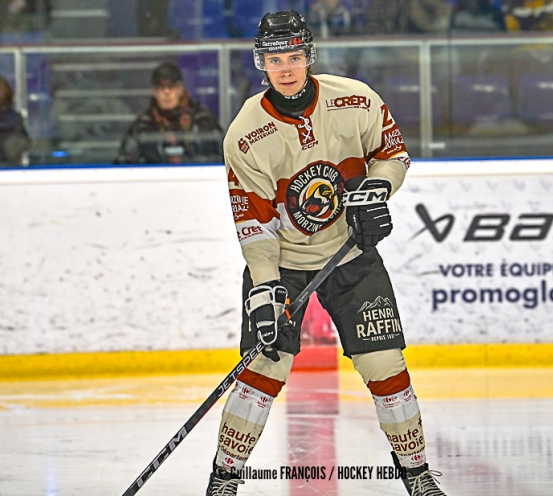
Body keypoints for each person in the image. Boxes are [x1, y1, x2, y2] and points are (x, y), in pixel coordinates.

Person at [207, 10, 447, 496]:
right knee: (262, 370)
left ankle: (418, 477)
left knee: (385, 365)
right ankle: (224, 480)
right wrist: (266, 287)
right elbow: (254, 222)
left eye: (294, 56)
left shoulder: (356, 99)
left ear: (308, 56)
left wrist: (374, 192)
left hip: (351, 255)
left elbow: (393, 154)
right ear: (262, 63)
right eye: (276, 59)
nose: (287, 68)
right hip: (284, 265)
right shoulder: (245, 134)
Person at [115, 61, 223, 164]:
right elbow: (123, 162)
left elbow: (224, 152)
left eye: (172, 86)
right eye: (161, 87)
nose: (167, 92)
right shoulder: (143, 124)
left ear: (181, 89)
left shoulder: (202, 117)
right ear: (154, 91)